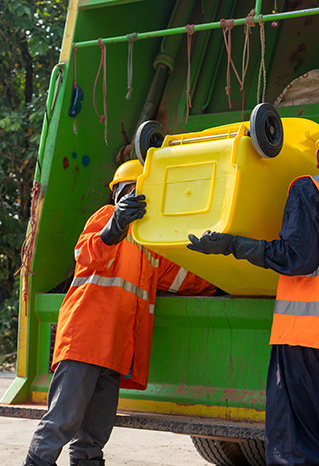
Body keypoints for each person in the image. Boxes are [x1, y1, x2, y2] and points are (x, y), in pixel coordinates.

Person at [186, 114, 319, 465]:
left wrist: (232, 244)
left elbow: (297, 257)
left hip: (306, 338)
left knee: (298, 449)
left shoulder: (311, 188)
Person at [23, 159, 216, 466]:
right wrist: (115, 227)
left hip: (115, 351)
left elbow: (183, 279)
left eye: (139, 191)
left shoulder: (151, 245)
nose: (133, 197)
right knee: (62, 421)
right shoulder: (105, 217)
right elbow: (85, 252)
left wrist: (221, 277)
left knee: (94, 434)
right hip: (85, 343)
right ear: (116, 195)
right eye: (127, 191)